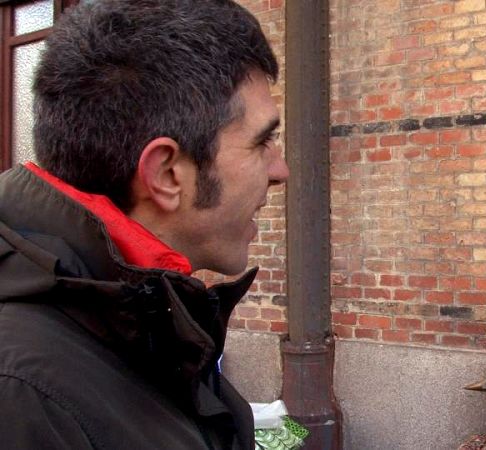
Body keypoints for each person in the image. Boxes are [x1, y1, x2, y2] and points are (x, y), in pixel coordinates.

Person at [0, 1, 288, 449]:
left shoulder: (144, 321)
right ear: (167, 174)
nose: (281, 170)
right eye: (262, 141)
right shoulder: (26, 398)